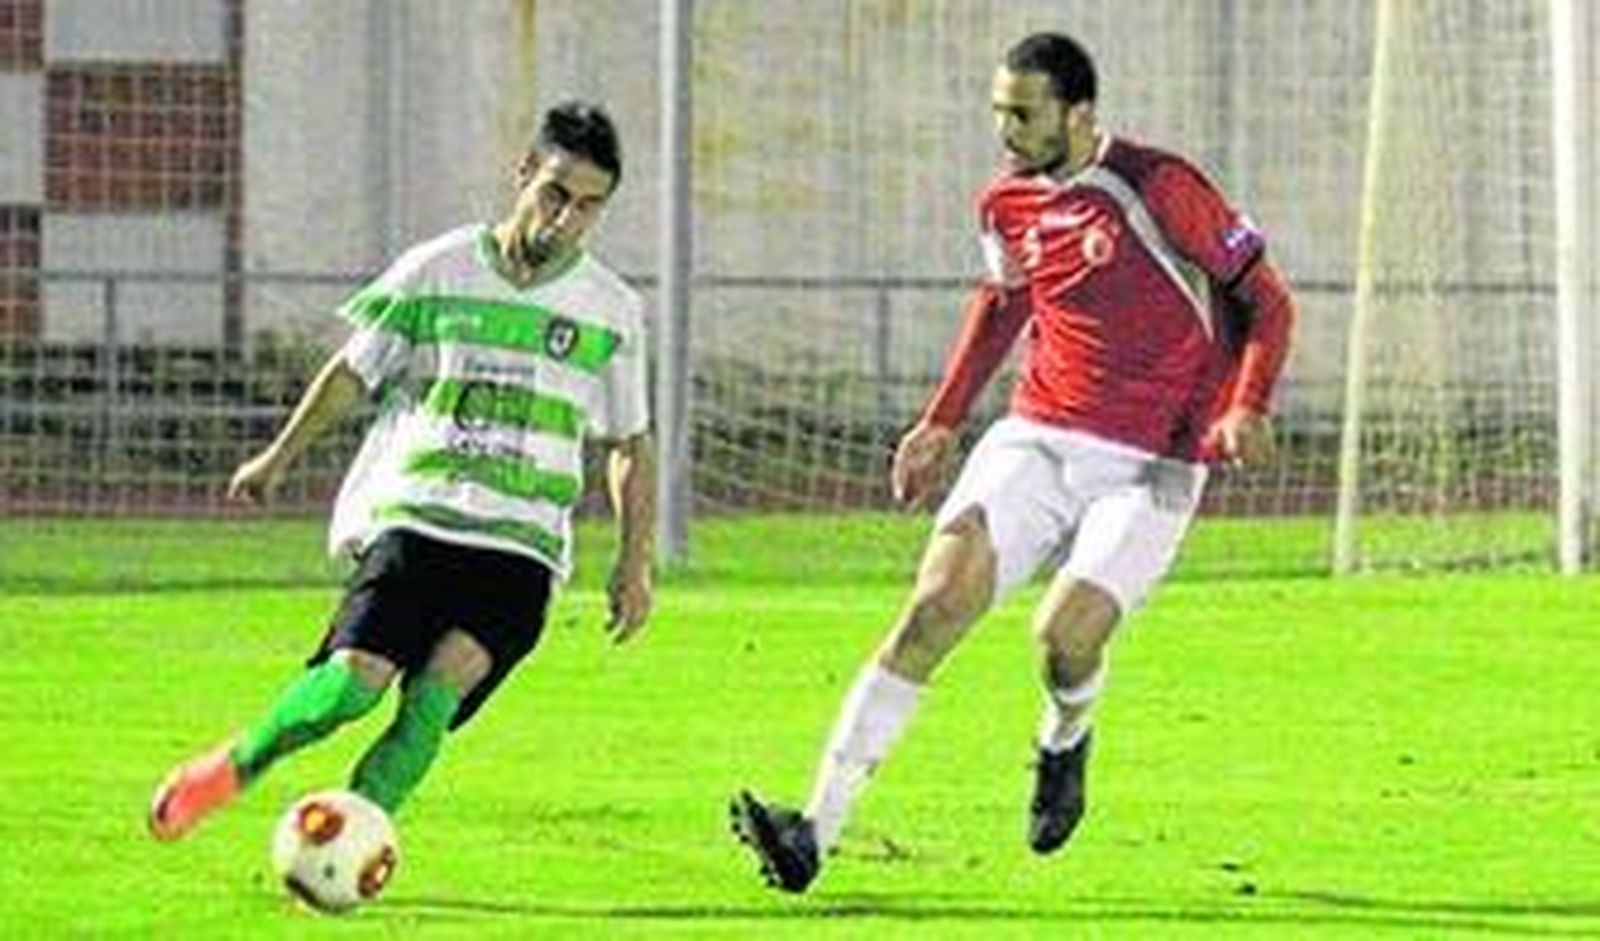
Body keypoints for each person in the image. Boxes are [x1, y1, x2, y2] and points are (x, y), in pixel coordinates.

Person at [731, 32, 1296, 893]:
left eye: (1024, 114)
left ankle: (1065, 737)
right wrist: (941, 421)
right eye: (999, 111)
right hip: (1036, 436)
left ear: (1080, 113)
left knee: (1064, 637)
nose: (1006, 130)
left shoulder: (1159, 186)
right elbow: (1003, 302)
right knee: (932, 608)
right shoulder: (1004, 203)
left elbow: (1268, 299)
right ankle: (814, 826)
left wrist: (1246, 402)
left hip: (1153, 462)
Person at [148, 101, 655, 840]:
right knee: (349, 690)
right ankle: (236, 764)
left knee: (430, 701)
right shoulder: (438, 268)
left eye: (588, 206)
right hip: (420, 520)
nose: (564, 219)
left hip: (522, 549)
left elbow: (629, 443)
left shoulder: (612, 310)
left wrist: (634, 563)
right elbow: (354, 372)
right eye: (555, 193)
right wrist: (279, 455)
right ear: (523, 173)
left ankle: (345, 844)